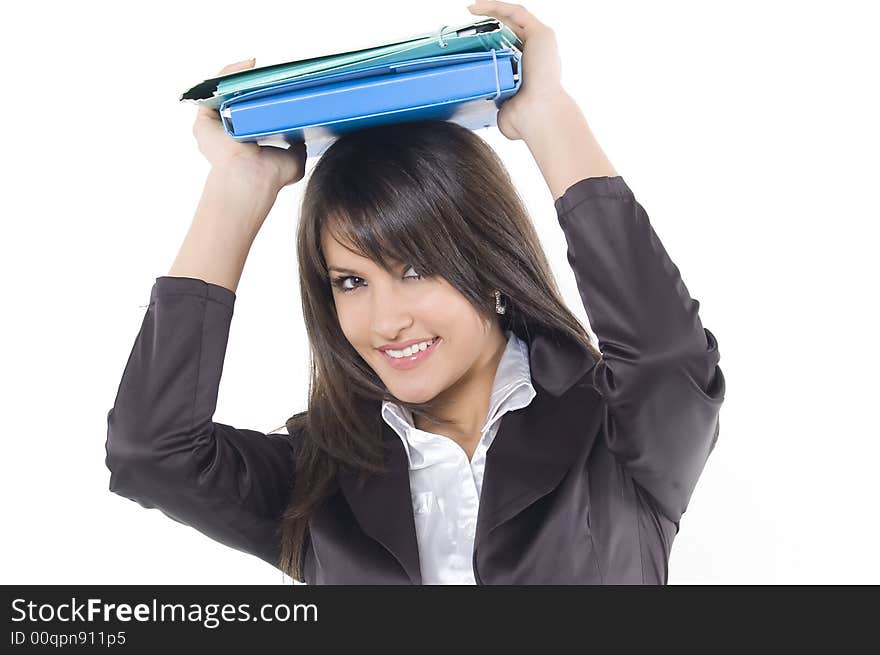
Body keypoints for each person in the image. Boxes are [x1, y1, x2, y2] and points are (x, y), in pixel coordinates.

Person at [105, 0, 725, 584]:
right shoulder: (319, 479)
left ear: (490, 268)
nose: (385, 321)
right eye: (351, 281)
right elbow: (151, 453)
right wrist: (236, 188)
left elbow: (667, 356)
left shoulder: (612, 433)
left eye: (415, 270)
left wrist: (549, 117)